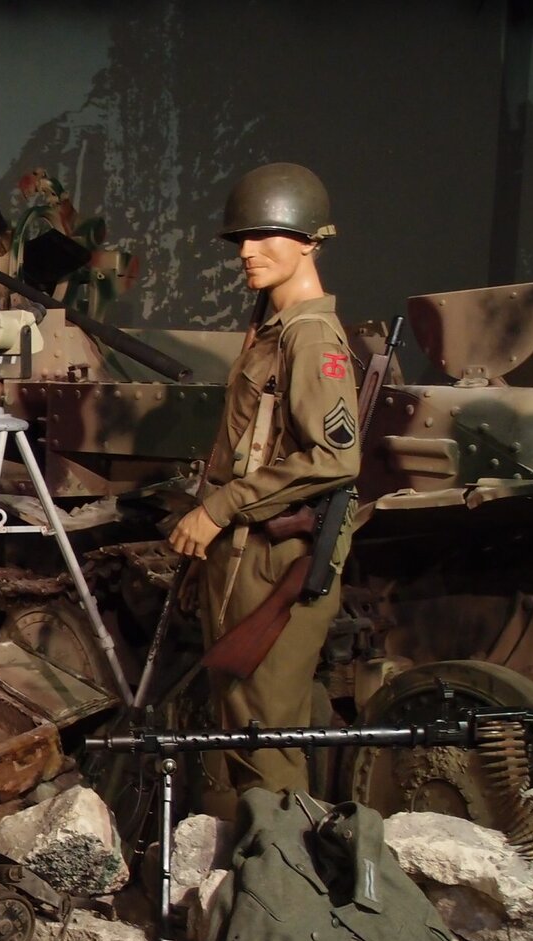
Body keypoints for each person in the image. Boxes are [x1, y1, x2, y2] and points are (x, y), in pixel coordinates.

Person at [167, 163, 360, 814]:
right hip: (247, 554)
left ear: (308, 241)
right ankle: (256, 854)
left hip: (278, 560)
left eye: (264, 235)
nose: (246, 251)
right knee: (242, 721)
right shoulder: (274, 330)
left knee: (264, 735)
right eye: (241, 239)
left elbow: (334, 457)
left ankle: (282, 867)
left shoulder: (310, 336)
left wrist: (219, 509)